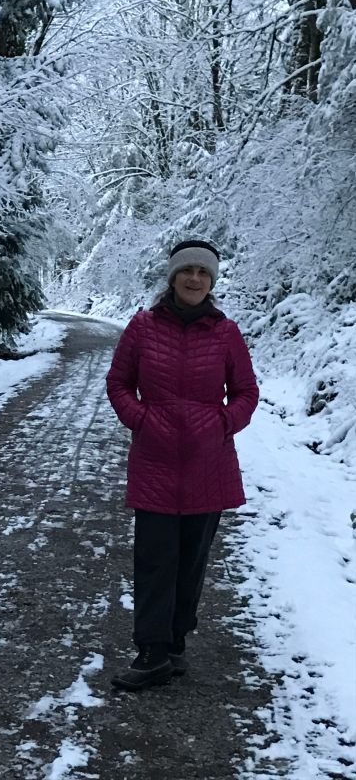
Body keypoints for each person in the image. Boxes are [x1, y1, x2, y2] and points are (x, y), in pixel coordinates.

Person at [106, 239, 259, 691]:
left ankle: (174, 643)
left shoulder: (226, 333)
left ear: (211, 281)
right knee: (155, 559)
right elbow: (118, 383)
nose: (194, 278)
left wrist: (222, 423)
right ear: (173, 277)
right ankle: (152, 652)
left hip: (208, 465)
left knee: (192, 561)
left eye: (203, 272)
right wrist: (142, 419)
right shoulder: (143, 327)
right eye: (187, 270)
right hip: (155, 462)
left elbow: (247, 392)